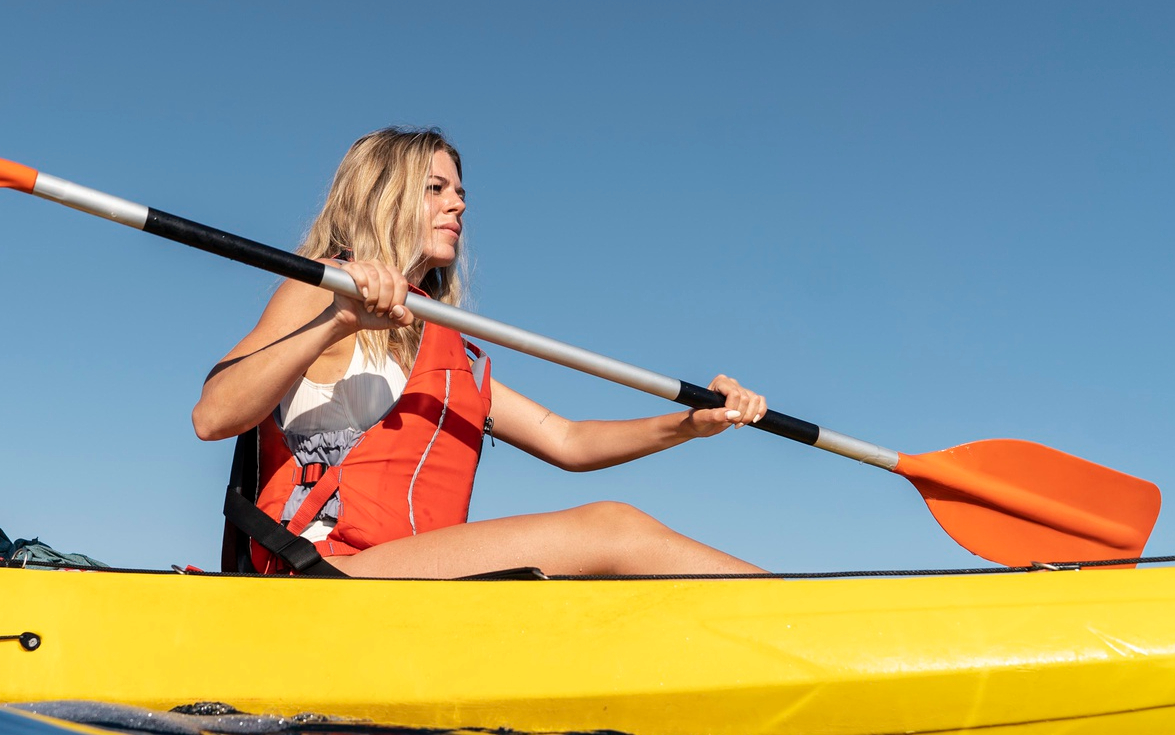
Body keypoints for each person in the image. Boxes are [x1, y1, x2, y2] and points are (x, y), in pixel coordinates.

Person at [194, 128, 768, 578]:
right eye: (436, 189)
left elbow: (569, 441)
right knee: (611, 528)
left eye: (461, 192)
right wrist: (337, 320)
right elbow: (213, 415)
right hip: (325, 573)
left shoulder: (453, 359)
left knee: (607, 544)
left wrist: (691, 424)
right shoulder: (322, 289)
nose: (459, 205)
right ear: (382, 195)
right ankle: (810, 619)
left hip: (409, 584)